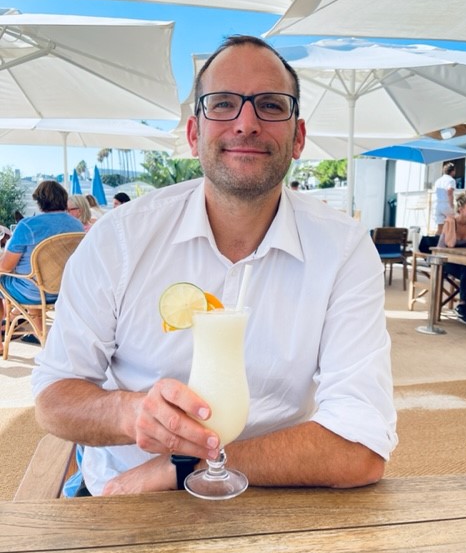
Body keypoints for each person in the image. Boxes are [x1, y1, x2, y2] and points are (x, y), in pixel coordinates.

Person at [32, 35, 397, 497]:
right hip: (125, 495)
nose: (246, 123)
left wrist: (180, 468)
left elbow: (361, 445)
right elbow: (53, 398)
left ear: (298, 138)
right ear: (193, 134)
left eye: (271, 105)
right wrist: (129, 412)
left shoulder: (342, 249)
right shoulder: (120, 239)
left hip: (275, 492)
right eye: (223, 104)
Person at [0, 181, 84, 352]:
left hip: (32, 291)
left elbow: (6, 267)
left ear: (39, 201)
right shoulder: (76, 225)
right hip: (66, 290)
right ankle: (45, 339)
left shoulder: (27, 226)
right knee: (35, 280)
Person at [438, 193, 466, 325]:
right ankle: (462, 307)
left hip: (463, 262)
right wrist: (451, 222)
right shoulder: (451, 222)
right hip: (443, 260)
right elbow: (450, 244)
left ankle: (462, 307)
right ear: (461, 209)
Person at [434, 162, 456, 235]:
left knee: (439, 229)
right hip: (446, 204)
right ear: (452, 171)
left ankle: (436, 241)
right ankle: (449, 240)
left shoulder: (438, 180)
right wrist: (451, 204)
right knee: (451, 225)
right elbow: (449, 192)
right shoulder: (451, 180)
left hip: (438, 205)